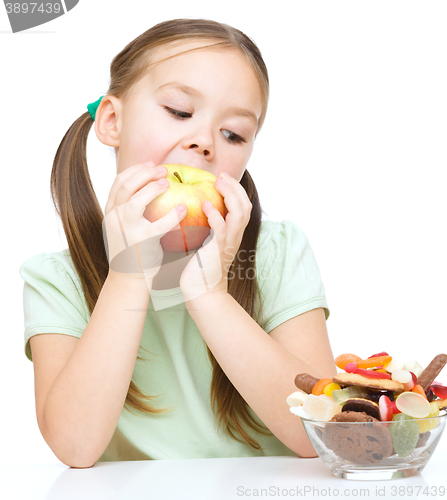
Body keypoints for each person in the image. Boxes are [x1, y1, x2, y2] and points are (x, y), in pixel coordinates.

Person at [19, 18, 336, 468]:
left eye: (233, 134)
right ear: (112, 121)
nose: (204, 142)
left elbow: (320, 432)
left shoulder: (277, 252)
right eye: (179, 112)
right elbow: (75, 446)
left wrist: (210, 296)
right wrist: (128, 274)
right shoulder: (56, 279)